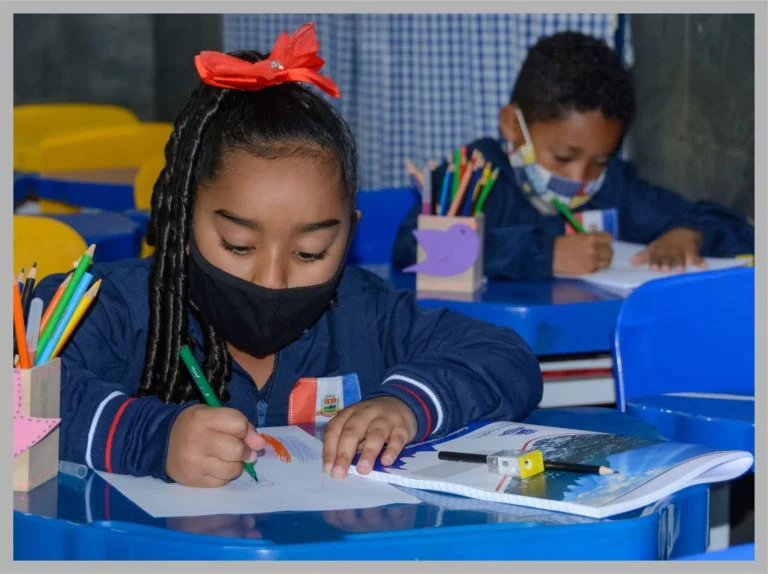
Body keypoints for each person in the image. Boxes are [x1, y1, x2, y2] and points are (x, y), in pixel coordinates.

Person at [35, 23, 542, 488]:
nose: (272, 280)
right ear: (183, 219)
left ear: (349, 234)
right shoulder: (114, 308)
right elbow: (21, 381)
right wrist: (152, 438)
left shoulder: (366, 315)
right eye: (238, 246)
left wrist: (405, 404)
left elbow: (506, 357)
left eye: (310, 252)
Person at [392, 31, 754, 280]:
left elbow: (729, 225)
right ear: (513, 126)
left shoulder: (613, 188)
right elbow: (413, 247)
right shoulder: (474, 175)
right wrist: (546, 255)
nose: (580, 179)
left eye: (600, 161)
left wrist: (688, 233)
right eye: (563, 157)